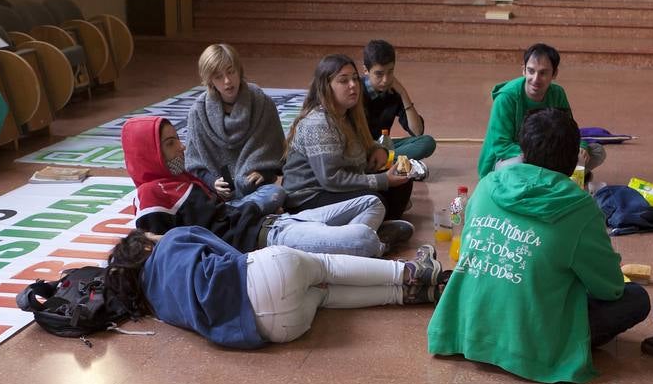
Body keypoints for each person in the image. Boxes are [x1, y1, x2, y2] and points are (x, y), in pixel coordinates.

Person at [428, 109, 650, 384]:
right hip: (532, 345)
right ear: (573, 162)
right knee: (636, 298)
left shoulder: (487, 184)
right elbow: (611, 287)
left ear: (523, 151)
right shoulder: (580, 208)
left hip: (467, 328)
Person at [122, 115, 414, 257]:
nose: (182, 147)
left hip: (268, 219)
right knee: (363, 239)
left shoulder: (182, 180)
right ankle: (367, 244)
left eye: (178, 139)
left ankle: (330, 244)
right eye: (171, 143)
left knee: (373, 203)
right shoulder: (151, 194)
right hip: (257, 238)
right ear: (148, 152)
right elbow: (153, 248)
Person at [103, 227, 443, 346]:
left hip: (274, 329)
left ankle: (406, 295)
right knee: (327, 266)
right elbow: (232, 254)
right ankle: (409, 272)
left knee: (323, 295)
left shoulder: (157, 306)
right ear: (146, 246)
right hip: (263, 275)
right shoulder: (172, 242)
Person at [283, 54, 414, 218]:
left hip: (335, 189)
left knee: (401, 183)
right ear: (326, 86)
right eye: (343, 81)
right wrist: (382, 180)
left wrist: (377, 149)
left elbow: (362, 147)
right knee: (373, 200)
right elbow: (331, 179)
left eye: (355, 79)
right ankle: (373, 228)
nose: (353, 85)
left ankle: (381, 224)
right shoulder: (319, 123)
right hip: (309, 197)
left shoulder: (348, 113)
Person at [183, 44, 287, 210]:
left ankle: (233, 214)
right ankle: (241, 213)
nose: (227, 81)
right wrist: (212, 182)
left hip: (255, 190)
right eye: (218, 76)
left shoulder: (262, 102)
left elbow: (277, 153)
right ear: (209, 80)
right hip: (218, 193)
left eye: (231, 71)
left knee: (276, 193)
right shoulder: (198, 111)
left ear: (239, 70)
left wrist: (263, 173)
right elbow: (194, 163)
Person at [477, 43, 604, 177]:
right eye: (531, 71)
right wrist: (538, 157)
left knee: (596, 152)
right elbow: (501, 145)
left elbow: (569, 130)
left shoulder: (558, 93)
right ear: (523, 70)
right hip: (516, 157)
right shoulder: (506, 98)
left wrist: (581, 146)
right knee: (520, 165)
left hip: (547, 154)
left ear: (554, 74)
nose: (536, 79)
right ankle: (552, 177)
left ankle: (545, 177)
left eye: (543, 73)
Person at [361, 39, 434, 174]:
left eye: (390, 72)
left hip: (382, 147)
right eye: (379, 74)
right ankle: (381, 163)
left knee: (427, 143)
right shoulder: (355, 90)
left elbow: (417, 132)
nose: (386, 79)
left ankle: (379, 163)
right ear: (366, 70)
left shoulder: (393, 92)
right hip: (360, 149)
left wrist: (403, 94)